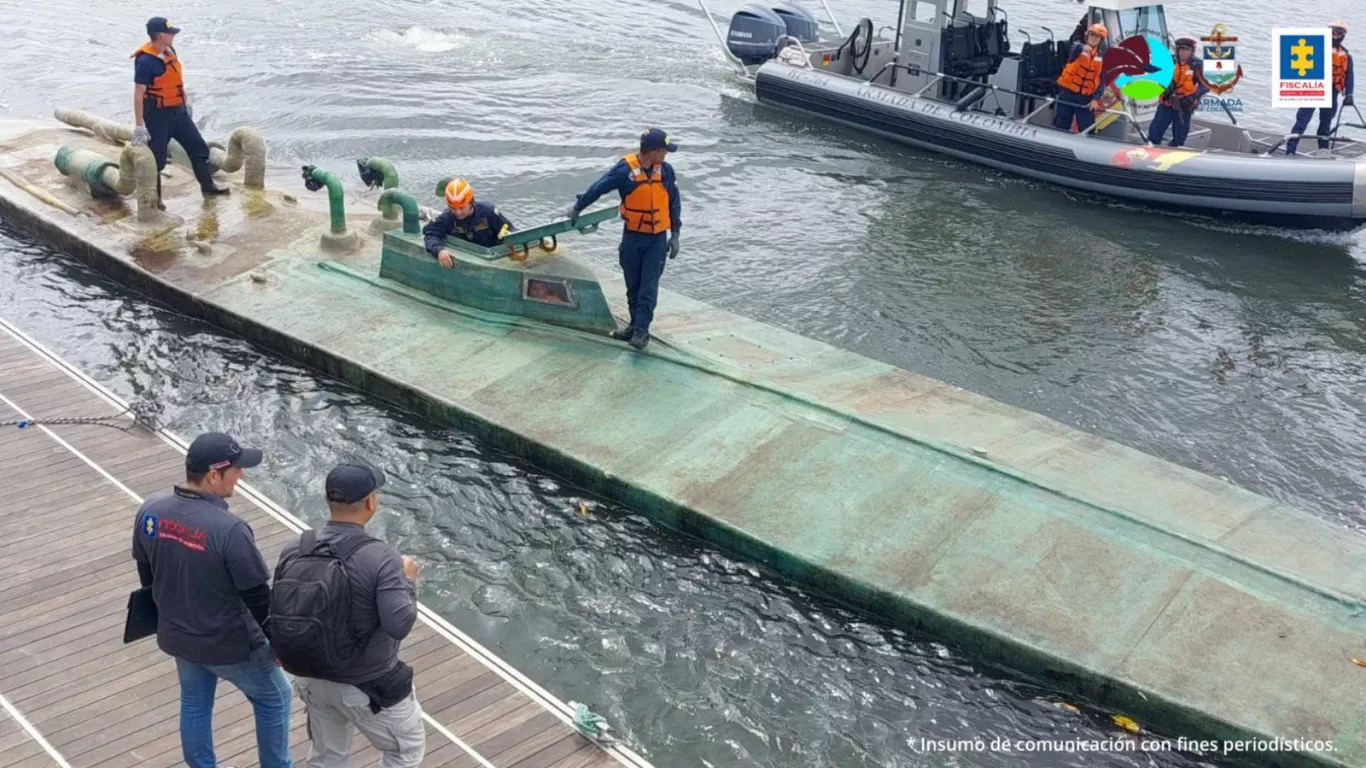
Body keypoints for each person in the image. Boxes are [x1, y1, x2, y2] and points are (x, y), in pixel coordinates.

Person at [131, 432, 293, 768]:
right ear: (213, 475)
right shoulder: (231, 530)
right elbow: (258, 597)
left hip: (178, 635)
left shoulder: (150, 511)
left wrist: (167, 612)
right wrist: (278, 645)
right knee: (276, 698)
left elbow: (146, 571)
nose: (241, 474)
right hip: (229, 645)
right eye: (236, 469)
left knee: (194, 703)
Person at [272, 461, 425, 768]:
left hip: (310, 677)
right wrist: (408, 581)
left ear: (327, 499)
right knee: (405, 751)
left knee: (327, 758)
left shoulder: (296, 547)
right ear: (370, 502)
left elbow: (276, 607)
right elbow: (399, 624)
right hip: (366, 684)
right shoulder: (382, 556)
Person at [564, 128, 682, 351]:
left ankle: (642, 331)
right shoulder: (624, 171)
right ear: (653, 152)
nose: (666, 154)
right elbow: (598, 188)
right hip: (632, 237)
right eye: (664, 151)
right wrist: (578, 207)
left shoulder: (666, 172)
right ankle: (634, 324)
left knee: (648, 286)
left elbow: (674, 203)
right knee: (632, 283)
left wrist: (675, 234)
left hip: (656, 240)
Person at [130, 17, 229, 207]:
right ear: (161, 36)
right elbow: (138, 93)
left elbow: (176, 80)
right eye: (170, 33)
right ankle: (155, 201)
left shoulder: (170, 51)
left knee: (198, 148)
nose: (173, 36)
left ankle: (208, 186)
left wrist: (185, 102)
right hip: (158, 116)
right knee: (156, 159)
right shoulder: (145, 61)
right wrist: (139, 125)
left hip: (179, 112)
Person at [1287, 21, 1355, 156]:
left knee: (1325, 124)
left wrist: (1349, 95)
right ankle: (1290, 150)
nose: (1335, 35)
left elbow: (1350, 76)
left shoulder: (1346, 55)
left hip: (1331, 93)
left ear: (1343, 35)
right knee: (1302, 120)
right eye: (1332, 31)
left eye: (1339, 32)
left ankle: (1323, 152)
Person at [422, 178, 514, 268]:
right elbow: (431, 235)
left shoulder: (488, 212)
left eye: (462, 208)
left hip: (492, 257)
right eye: (453, 208)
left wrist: (506, 236)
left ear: (471, 202)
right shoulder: (446, 218)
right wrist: (439, 251)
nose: (458, 212)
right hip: (467, 256)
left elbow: (510, 230)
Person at [1148, 35, 1207, 147]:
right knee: (1154, 133)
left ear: (1192, 51)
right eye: (1181, 49)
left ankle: (1174, 149)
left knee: (1179, 138)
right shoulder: (1169, 60)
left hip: (1184, 106)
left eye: (1186, 50)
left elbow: (1205, 86)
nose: (1183, 53)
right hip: (1166, 103)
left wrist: (1193, 96)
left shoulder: (1198, 65)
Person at [1053, 23, 1107, 133]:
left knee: (1088, 128)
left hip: (1085, 99)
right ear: (1087, 36)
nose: (1093, 38)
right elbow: (1075, 48)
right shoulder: (1077, 49)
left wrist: (1095, 99)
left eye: (1097, 36)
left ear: (1101, 40)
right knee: (1061, 124)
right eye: (1092, 35)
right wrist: (1082, 48)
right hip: (1067, 94)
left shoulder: (1101, 59)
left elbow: (1101, 81)